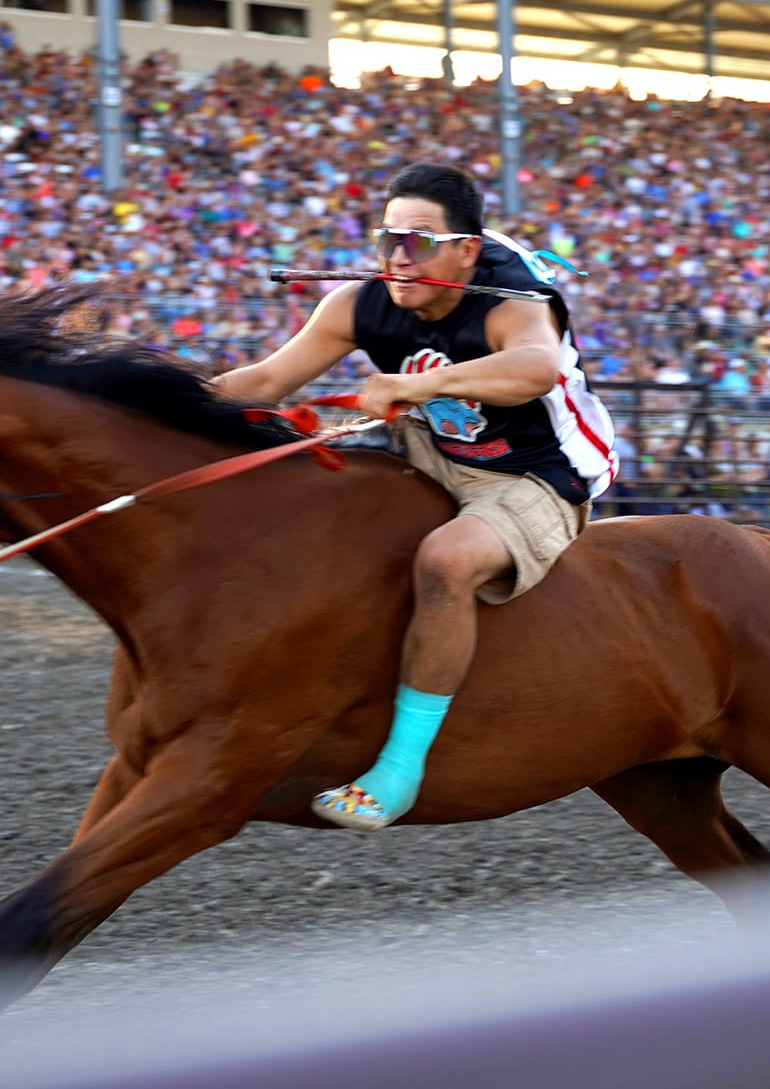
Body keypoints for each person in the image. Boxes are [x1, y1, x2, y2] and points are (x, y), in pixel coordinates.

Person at [212, 163, 616, 830]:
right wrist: (150, 398)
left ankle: (399, 770)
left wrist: (418, 388)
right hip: (432, 452)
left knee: (446, 563)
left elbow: (536, 368)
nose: (400, 257)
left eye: (420, 240)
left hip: (537, 473)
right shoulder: (356, 304)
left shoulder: (514, 297)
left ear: (466, 248)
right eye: (388, 239)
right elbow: (269, 378)